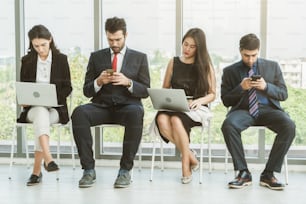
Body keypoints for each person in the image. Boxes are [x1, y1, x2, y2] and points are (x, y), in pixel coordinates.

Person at [71, 16, 150, 188]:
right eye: (110, 39)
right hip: (102, 106)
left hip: (128, 108)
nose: (114, 43)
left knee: (136, 113)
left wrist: (128, 83)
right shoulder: (96, 57)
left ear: (126, 35)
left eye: (118, 39)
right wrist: (98, 82)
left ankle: (125, 171)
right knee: (79, 113)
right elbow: (86, 90)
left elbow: (145, 91)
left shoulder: (140, 58)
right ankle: (88, 170)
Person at [221, 33, 295, 190]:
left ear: (258, 51)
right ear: (240, 51)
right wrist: (241, 88)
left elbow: (283, 94)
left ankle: (268, 174)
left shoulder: (272, 66)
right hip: (243, 111)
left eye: (254, 55)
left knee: (289, 125)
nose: (250, 60)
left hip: (268, 110)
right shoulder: (230, 71)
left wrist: (266, 87)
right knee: (228, 125)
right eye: (246, 55)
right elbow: (226, 100)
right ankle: (243, 172)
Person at [151, 28, 216, 184]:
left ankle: (185, 166)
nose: (187, 49)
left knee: (175, 120)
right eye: (185, 44)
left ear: (199, 48)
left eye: (192, 46)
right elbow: (165, 88)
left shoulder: (205, 64)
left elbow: (213, 94)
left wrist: (199, 101)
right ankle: (190, 156)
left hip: (196, 106)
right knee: (161, 120)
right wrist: (169, 99)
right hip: (175, 104)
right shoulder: (173, 62)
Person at [17, 24, 72, 186]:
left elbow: (68, 87)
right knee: (40, 113)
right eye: (36, 46)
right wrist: (24, 99)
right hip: (32, 110)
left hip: (55, 109)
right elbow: (23, 88)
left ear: (50, 40)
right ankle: (48, 158)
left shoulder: (61, 60)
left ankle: (36, 171)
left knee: (42, 119)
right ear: (31, 44)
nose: (40, 49)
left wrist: (53, 98)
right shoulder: (27, 61)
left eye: (43, 45)